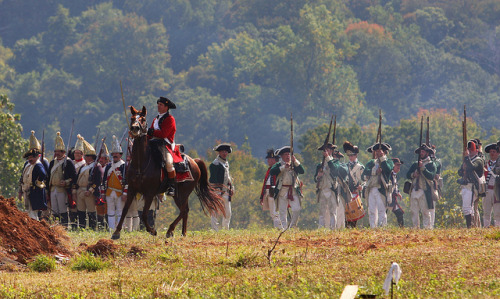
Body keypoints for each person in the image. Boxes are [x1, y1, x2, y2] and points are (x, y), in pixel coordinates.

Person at [147, 96, 177, 196]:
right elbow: (149, 134)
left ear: (166, 107)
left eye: (161, 105)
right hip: (153, 143)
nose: (158, 106)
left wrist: (151, 131)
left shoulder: (170, 119)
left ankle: (171, 186)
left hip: (165, 145)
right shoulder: (156, 118)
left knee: (168, 163)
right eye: (158, 104)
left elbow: (164, 134)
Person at [270, 146, 305, 229]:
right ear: (281, 156)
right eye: (285, 154)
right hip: (282, 190)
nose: (287, 156)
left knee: (297, 209)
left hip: (293, 190)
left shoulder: (294, 163)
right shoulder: (278, 165)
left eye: (289, 154)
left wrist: (295, 161)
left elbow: (302, 171)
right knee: (282, 212)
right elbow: (272, 172)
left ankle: (292, 226)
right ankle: (284, 228)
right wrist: (283, 168)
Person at [47, 132, 76, 227]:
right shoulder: (52, 163)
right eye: (56, 151)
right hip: (53, 189)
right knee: (54, 209)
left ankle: (64, 227)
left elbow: (74, 176)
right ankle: (57, 227)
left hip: (62, 189)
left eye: (59, 151)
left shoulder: (68, 162)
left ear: (63, 152)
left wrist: (66, 182)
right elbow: (48, 176)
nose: (57, 153)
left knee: (63, 210)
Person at [73, 138, 103, 229]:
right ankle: (82, 227)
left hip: (89, 192)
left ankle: (92, 227)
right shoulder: (83, 166)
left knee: (91, 211)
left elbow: (98, 180)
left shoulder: (97, 166)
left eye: (86, 156)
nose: (85, 157)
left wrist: (90, 190)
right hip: (80, 191)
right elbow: (76, 179)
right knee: (81, 211)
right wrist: (75, 191)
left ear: (90, 157)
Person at [362, 143, 394, 228]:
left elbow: (388, 169)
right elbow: (365, 171)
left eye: (379, 151)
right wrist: (375, 171)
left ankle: (382, 227)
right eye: (376, 151)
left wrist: (382, 158)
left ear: (384, 152)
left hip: (382, 189)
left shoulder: (388, 161)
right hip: (372, 188)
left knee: (381, 210)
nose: (377, 152)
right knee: (371, 211)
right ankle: (373, 227)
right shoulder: (372, 162)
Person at [314, 143, 345, 229]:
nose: (326, 151)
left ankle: (333, 229)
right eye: (325, 150)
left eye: (328, 150)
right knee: (322, 212)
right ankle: (321, 228)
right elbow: (315, 179)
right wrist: (318, 176)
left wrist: (328, 158)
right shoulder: (319, 165)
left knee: (332, 212)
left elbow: (335, 170)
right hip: (322, 189)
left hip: (332, 189)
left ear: (331, 151)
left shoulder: (335, 162)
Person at [18, 131, 48, 220]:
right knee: (28, 210)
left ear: (36, 157)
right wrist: (20, 191)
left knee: (33, 212)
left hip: (34, 191)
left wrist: (37, 183)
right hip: (26, 190)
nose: (30, 159)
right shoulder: (27, 164)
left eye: (32, 157)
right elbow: (22, 178)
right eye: (29, 157)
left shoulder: (38, 164)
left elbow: (43, 174)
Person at [406, 144, 437, 229]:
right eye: (421, 151)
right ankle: (416, 227)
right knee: (414, 211)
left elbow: (431, 176)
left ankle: (427, 228)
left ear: (427, 153)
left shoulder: (431, 164)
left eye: (423, 151)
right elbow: (408, 175)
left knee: (425, 211)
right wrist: (413, 174)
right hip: (415, 190)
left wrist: (422, 168)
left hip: (424, 190)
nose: (421, 153)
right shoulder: (415, 164)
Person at [102, 135, 127, 232]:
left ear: (120, 155)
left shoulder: (123, 166)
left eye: (117, 153)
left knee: (120, 212)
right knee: (110, 212)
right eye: (114, 153)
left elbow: (126, 181)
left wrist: (125, 193)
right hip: (109, 192)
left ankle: (120, 229)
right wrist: (103, 193)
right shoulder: (109, 166)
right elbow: (104, 180)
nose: (115, 155)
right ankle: (111, 229)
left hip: (120, 192)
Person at [458, 140, 485, 228]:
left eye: (472, 150)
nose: (470, 151)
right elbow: (460, 172)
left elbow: (472, 167)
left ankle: (470, 226)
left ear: (477, 150)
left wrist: (466, 158)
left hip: (472, 186)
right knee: (469, 208)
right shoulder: (468, 160)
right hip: (466, 186)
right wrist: (463, 169)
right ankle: (471, 226)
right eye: (469, 150)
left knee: (467, 208)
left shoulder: (479, 160)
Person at [209, 143, 234, 230]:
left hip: (225, 190)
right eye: (223, 151)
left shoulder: (226, 163)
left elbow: (228, 176)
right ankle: (215, 229)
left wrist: (231, 187)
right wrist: (217, 190)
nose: (224, 153)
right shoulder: (215, 164)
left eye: (226, 152)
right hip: (217, 190)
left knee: (228, 212)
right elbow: (213, 179)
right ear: (219, 152)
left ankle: (225, 228)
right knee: (215, 211)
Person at [343, 141, 365, 228]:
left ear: (356, 155)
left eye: (352, 155)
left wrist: (361, 186)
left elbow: (364, 180)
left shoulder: (360, 167)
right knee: (346, 214)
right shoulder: (345, 166)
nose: (350, 157)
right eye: (349, 156)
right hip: (347, 192)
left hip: (355, 192)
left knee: (354, 215)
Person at [259, 149, 282, 229]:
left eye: (269, 159)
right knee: (272, 213)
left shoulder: (279, 169)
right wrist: (262, 196)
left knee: (276, 212)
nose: (268, 161)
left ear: (273, 160)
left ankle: (279, 228)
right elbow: (265, 184)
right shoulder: (269, 170)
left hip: (275, 192)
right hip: (268, 192)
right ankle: (277, 228)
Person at [69, 134, 86, 229]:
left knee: (80, 208)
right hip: (70, 188)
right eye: (75, 153)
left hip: (79, 188)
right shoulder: (71, 163)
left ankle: (82, 226)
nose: (76, 155)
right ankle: (74, 226)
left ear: (82, 154)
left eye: (78, 153)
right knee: (72, 209)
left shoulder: (84, 164)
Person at [483, 143, 499, 227]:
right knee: (486, 211)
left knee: (497, 212)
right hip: (488, 190)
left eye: (494, 151)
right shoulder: (486, 164)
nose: (492, 153)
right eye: (491, 152)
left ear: (498, 153)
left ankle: (497, 228)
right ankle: (486, 227)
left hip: (497, 190)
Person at [389, 158, 404, 227]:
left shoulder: (394, 175)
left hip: (392, 198)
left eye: (399, 165)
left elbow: (395, 186)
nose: (398, 167)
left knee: (399, 213)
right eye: (397, 165)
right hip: (388, 197)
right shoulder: (390, 175)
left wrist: (398, 192)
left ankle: (402, 228)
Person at [429, 145, 442, 228]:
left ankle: (431, 225)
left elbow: (437, 167)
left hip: (433, 185)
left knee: (432, 207)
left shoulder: (436, 162)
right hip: (423, 185)